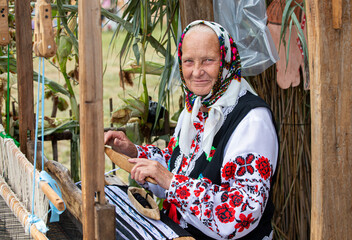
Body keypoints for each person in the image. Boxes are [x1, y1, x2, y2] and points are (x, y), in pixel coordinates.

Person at [104, 20, 278, 240]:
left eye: (208, 60)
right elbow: (179, 165)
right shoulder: (197, 106)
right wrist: (134, 153)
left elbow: (241, 213)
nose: (197, 72)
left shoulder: (252, 121)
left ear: (225, 61)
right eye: (188, 61)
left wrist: (171, 182)